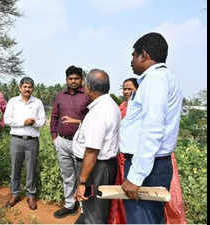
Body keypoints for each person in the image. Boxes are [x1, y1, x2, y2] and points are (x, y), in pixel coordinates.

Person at [120, 32, 183, 224]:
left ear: (144, 55)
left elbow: (152, 129)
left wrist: (136, 176)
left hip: (147, 168)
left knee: (142, 219)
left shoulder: (155, 79)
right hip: (152, 164)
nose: (131, 61)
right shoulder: (162, 78)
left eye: (133, 55)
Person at [73, 69, 120, 224]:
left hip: (96, 168)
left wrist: (82, 183)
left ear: (89, 87)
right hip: (101, 166)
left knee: (95, 213)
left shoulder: (99, 112)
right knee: (95, 208)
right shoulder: (110, 105)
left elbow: (92, 151)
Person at [50, 65, 90, 218]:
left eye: (76, 78)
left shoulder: (87, 95)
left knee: (83, 176)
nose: (73, 81)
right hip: (62, 142)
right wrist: (54, 137)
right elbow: (54, 116)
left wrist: (76, 121)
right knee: (67, 175)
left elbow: (91, 119)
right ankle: (69, 205)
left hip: (80, 143)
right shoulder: (60, 96)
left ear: (82, 79)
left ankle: (84, 209)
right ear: (66, 79)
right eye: (70, 78)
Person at [3, 77, 46, 210]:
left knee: (31, 168)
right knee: (15, 168)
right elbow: (7, 119)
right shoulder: (13, 101)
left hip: (32, 141)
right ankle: (15, 193)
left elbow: (43, 120)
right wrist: (23, 122)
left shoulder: (37, 102)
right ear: (20, 87)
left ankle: (31, 195)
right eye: (25, 87)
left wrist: (34, 122)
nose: (27, 89)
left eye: (30, 87)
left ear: (33, 88)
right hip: (16, 139)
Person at [108, 78, 138, 224]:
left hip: (134, 154)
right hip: (120, 153)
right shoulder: (121, 106)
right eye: (124, 89)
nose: (126, 92)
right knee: (122, 186)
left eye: (129, 89)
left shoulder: (139, 107)